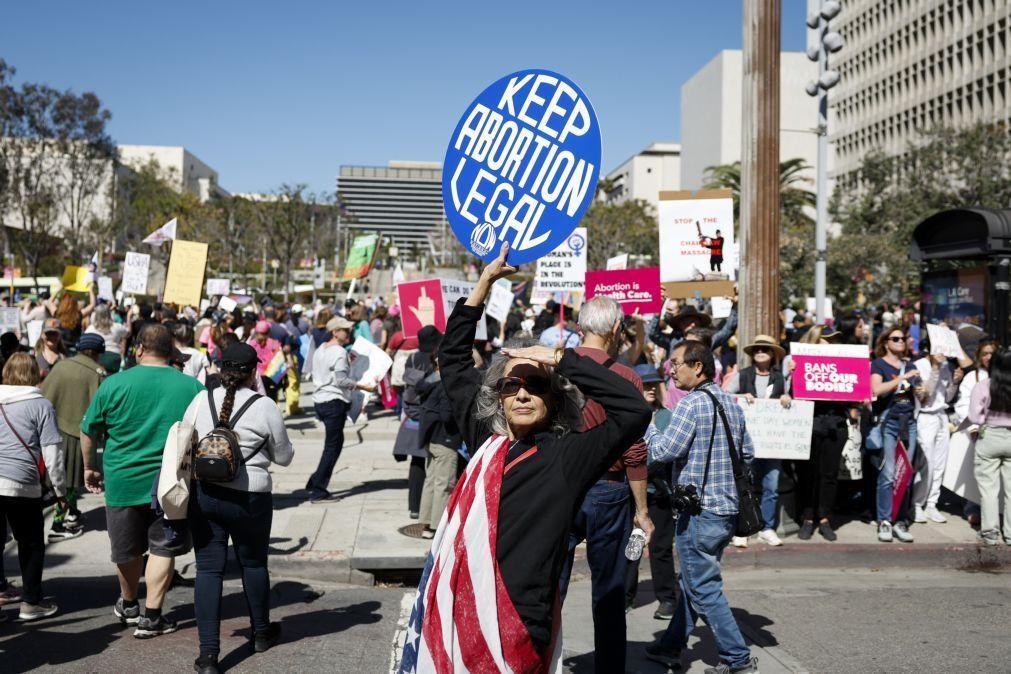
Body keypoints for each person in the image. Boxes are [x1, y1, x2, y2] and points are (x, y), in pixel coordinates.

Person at [399, 244, 650, 672]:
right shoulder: (483, 440)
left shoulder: (570, 453)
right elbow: (454, 359)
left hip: (522, 617)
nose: (522, 394)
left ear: (554, 401)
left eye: (535, 387)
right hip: (461, 605)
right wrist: (484, 283)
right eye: (511, 386)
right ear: (497, 397)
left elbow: (635, 410)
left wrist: (559, 359)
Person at [79, 323, 205, 638]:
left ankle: (130, 602)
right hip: (171, 483)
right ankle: (152, 616)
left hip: (123, 479)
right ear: (171, 351)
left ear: (138, 349)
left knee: (127, 550)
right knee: (163, 547)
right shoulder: (191, 387)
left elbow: (88, 429)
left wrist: (89, 467)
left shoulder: (113, 384)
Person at [645, 340, 759, 674]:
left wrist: (650, 426)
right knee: (692, 582)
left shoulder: (691, 404)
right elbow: (748, 453)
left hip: (698, 512)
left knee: (703, 587)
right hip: (726, 510)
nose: (671, 370)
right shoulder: (730, 402)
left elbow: (665, 451)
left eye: (676, 363)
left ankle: (737, 659)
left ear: (698, 366)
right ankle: (670, 646)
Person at [183, 342, 294, 673]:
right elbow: (285, 457)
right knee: (254, 564)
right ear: (253, 372)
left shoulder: (200, 400)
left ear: (218, 368)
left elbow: (183, 441)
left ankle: (208, 656)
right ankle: (261, 632)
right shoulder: (265, 406)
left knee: (208, 570)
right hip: (251, 496)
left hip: (205, 494)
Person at [557, 295, 651, 674]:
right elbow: (634, 451)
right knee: (609, 591)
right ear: (615, 329)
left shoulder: (557, 369)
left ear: (579, 328)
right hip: (610, 491)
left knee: (549, 586)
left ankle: (537, 660)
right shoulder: (627, 377)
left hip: (561, 487)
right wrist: (642, 510)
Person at [0, 353, 65, 621]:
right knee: (30, 543)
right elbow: (53, 454)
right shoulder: (41, 406)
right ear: (35, 373)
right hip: (22, 483)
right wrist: (60, 491)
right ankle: (31, 601)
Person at [725, 334, 791, 547]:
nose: (760, 352)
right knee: (746, 485)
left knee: (771, 486)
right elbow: (725, 396)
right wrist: (742, 396)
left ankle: (767, 527)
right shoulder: (742, 375)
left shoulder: (780, 378)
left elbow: (793, 401)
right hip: (746, 441)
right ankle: (743, 527)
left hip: (773, 443)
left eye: (765, 348)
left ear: (772, 354)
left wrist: (787, 398)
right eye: (757, 349)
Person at [40, 333, 106, 541]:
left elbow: (44, 396)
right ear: (97, 353)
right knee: (69, 482)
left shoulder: (61, 365)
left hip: (51, 429)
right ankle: (58, 525)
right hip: (76, 434)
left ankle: (72, 512)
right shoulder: (97, 372)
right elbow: (100, 409)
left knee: (64, 480)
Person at [787, 326, 851, 541]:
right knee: (807, 474)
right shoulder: (795, 363)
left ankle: (824, 517)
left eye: (833, 340)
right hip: (810, 423)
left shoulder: (843, 363)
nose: (830, 343)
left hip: (836, 424)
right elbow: (787, 394)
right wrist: (791, 373)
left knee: (829, 475)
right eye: (826, 339)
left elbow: (852, 393)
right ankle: (807, 517)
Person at [625, 363, 677, 620]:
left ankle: (667, 598)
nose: (649, 389)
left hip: (659, 493)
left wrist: (644, 461)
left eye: (653, 384)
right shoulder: (627, 414)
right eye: (644, 384)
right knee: (631, 546)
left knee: (661, 549)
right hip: (631, 493)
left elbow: (668, 452)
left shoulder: (668, 416)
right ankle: (625, 597)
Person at [307, 316, 374, 501]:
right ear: (335, 332)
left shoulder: (321, 349)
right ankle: (319, 489)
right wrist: (363, 387)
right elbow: (341, 380)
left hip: (320, 400)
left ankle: (315, 480)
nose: (349, 332)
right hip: (333, 402)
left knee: (333, 444)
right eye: (345, 329)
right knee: (332, 446)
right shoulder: (339, 352)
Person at [870, 327, 921, 543]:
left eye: (904, 338)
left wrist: (922, 390)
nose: (901, 341)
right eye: (896, 338)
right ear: (886, 342)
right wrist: (902, 377)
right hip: (888, 423)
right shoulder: (879, 364)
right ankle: (884, 520)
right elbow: (876, 390)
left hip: (908, 423)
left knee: (905, 474)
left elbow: (920, 394)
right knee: (888, 474)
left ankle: (900, 520)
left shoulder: (911, 365)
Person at [393, 326, 441, 518]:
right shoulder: (435, 361)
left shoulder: (412, 358)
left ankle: (414, 506)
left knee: (417, 462)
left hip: (413, 415)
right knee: (433, 463)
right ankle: (427, 509)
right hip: (430, 414)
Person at [415, 351, 461, 539]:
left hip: (430, 438)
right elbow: (447, 415)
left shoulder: (429, 380)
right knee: (444, 483)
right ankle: (437, 526)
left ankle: (426, 522)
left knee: (431, 481)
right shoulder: (446, 384)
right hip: (445, 439)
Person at [952, 338, 996, 526]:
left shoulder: (1004, 375)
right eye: (984, 353)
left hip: (1001, 430)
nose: (988, 357)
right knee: (977, 472)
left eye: (991, 353)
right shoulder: (974, 377)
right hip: (979, 430)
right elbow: (963, 404)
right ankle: (973, 507)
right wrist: (973, 425)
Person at [912, 342, 958, 524]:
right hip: (925, 417)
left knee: (940, 463)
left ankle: (932, 503)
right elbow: (924, 396)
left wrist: (955, 382)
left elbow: (947, 397)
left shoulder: (947, 365)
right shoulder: (919, 365)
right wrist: (936, 368)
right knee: (926, 463)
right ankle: (917, 504)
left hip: (941, 416)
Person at [969, 347, 1011, 545]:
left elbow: (974, 417)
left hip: (990, 437)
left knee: (988, 490)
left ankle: (990, 533)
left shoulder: (984, 385)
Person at [85, 303, 128, 374]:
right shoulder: (117, 327)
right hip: (114, 356)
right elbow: (127, 333)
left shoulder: (91, 328)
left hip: (97, 357)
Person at [248, 320, 283, 402]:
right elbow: (280, 361)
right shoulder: (274, 344)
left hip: (256, 378)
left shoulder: (251, 344)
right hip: (271, 377)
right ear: (268, 332)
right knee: (272, 401)